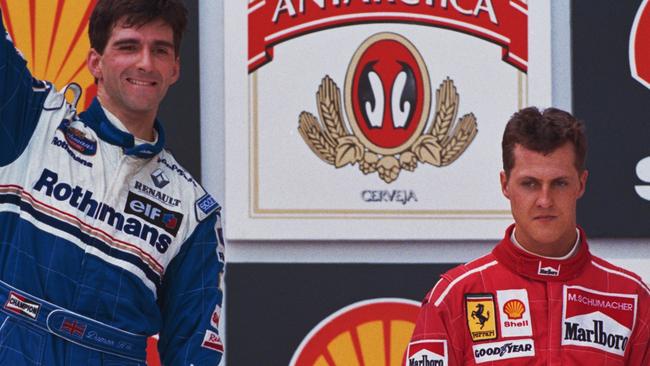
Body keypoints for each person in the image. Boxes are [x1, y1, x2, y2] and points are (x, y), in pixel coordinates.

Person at [0, 1, 224, 365]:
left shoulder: (192, 211)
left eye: (160, 50)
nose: (145, 63)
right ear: (95, 62)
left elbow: (193, 350)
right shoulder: (33, 121)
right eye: (128, 46)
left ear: (175, 69)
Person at [406, 107, 650, 365]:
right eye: (530, 184)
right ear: (505, 185)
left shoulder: (630, 298)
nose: (544, 201)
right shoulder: (455, 296)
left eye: (559, 183)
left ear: (581, 184)